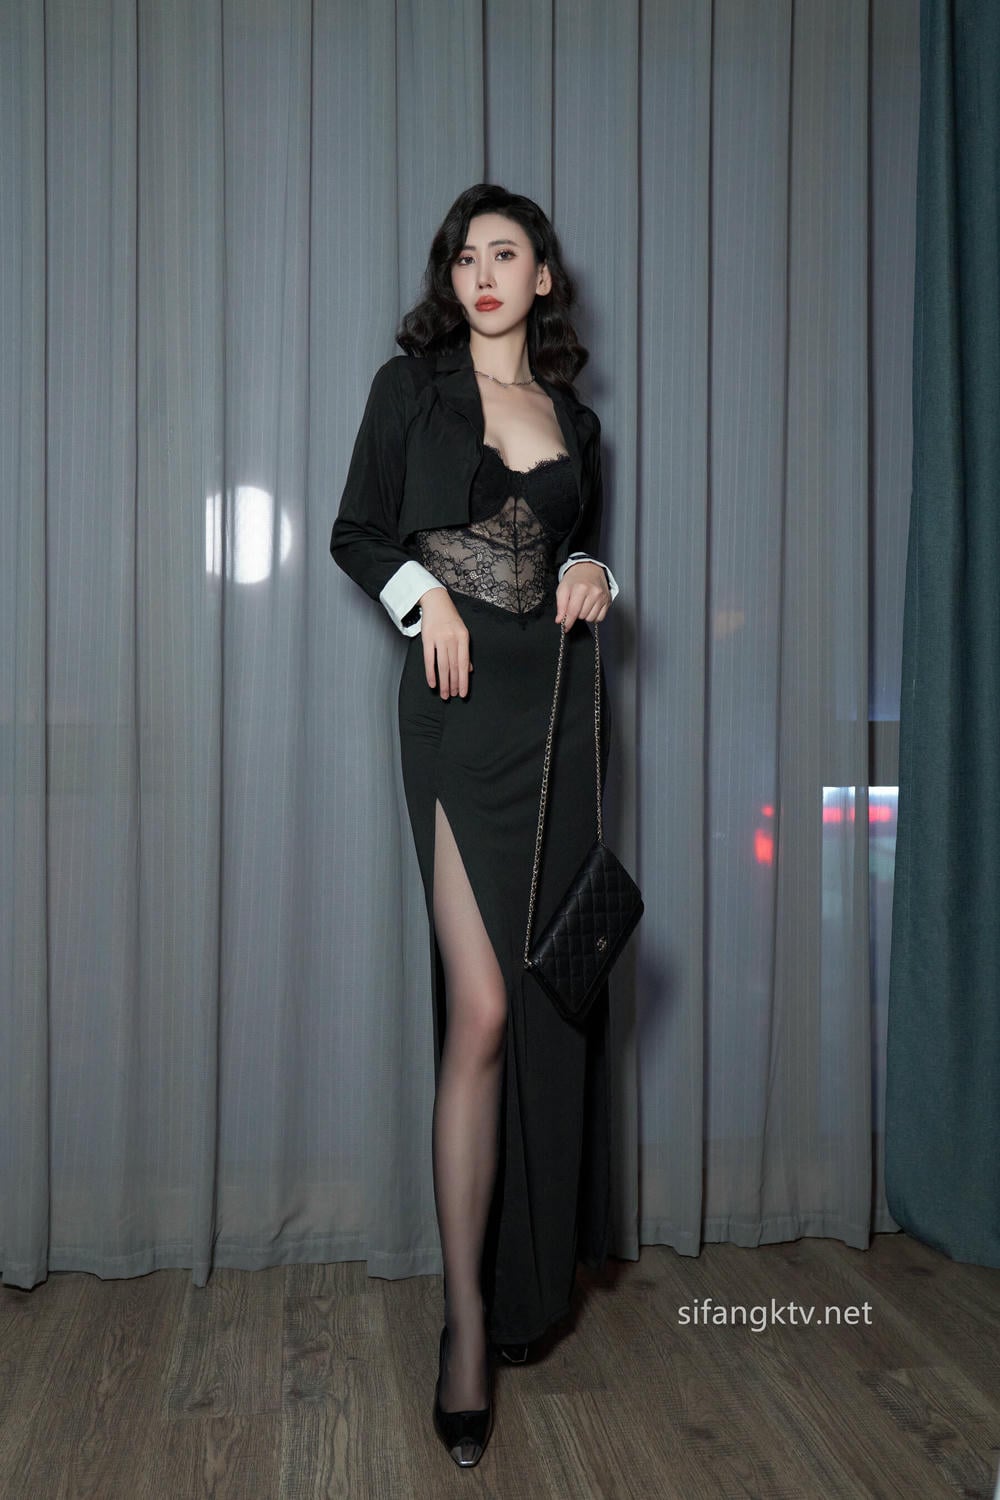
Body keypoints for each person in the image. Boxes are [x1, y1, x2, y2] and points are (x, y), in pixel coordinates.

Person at [330, 182, 620, 1468]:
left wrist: (594, 571)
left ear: (543, 278)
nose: (484, 272)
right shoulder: (410, 391)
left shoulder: (577, 421)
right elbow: (353, 531)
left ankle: (518, 1290)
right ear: (449, 281)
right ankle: (461, 1327)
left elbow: (575, 552)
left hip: (555, 718)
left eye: (508, 254)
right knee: (483, 1009)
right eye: (465, 256)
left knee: (541, 1003)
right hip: (451, 716)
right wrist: (422, 597)